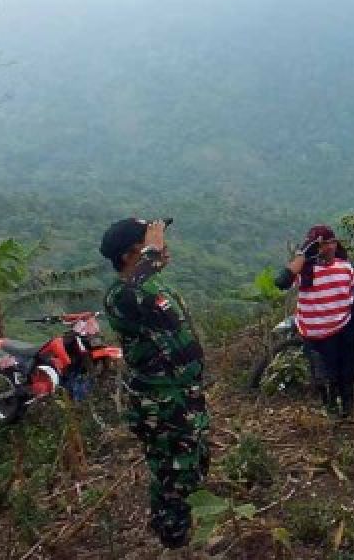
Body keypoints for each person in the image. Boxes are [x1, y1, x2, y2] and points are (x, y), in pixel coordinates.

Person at [100, 217, 209, 549]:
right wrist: (153, 250)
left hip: (182, 397)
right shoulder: (121, 295)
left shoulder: (152, 287)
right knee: (173, 475)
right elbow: (135, 286)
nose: (164, 247)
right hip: (161, 406)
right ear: (132, 253)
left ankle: (182, 529)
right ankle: (173, 541)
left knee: (191, 466)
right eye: (150, 242)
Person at [274, 224, 354, 418]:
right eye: (320, 245)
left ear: (335, 244)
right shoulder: (306, 272)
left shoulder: (345, 267)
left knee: (346, 372)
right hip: (314, 333)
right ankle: (330, 409)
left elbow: (353, 292)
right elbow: (281, 282)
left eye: (329, 243)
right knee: (322, 376)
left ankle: (348, 410)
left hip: (341, 327)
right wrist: (304, 254)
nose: (325, 248)